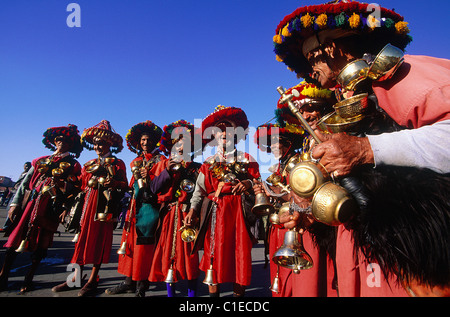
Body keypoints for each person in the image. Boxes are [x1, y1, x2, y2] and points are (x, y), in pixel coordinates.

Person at [272, 1, 450, 296]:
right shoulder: (345, 96)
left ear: (331, 48)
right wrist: (310, 215)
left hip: (417, 262)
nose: (309, 71)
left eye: (310, 58)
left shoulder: (402, 74)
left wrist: (367, 149)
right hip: (367, 251)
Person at [254, 82, 338, 297]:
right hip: (294, 221)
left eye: (311, 107)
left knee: (313, 283)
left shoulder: (303, 155)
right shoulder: (288, 160)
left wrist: (279, 193)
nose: (306, 114)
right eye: (301, 110)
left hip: (322, 222)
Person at [185, 105, 260, 297]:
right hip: (215, 214)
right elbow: (198, 192)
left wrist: (248, 183)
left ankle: (238, 297)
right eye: (219, 131)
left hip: (239, 214)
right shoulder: (207, 164)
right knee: (214, 254)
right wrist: (193, 210)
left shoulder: (247, 159)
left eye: (228, 130)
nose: (224, 134)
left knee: (239, 253)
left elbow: (259, 184)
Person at [0, 124, 83, 293]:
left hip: (51, 206)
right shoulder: (40, 160)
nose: (61, 143)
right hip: (29, 203)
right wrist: (15, 204)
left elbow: (75, 188)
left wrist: (65, 202)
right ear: (54, 141)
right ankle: (3, 276)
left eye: (65, 141)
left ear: (71, 145)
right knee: (15, 241)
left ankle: (28, 279)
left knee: (41, 246)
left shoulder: (73, 165)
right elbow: (25, 183)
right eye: (59, 140)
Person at [52, 120, 128, 297]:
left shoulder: (118, 163)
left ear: (109, 144)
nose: (97, 146)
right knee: (80, 243)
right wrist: (63, 186)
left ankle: (93, 279)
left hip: (104, 209)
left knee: (99, 243)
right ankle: (74, 279)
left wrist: (114, 183)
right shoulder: (88, 164)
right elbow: (78, 186)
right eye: (95, 143)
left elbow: (124, 185)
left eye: (101, 143)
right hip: (85, 208)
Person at [105, 120, 163, 297]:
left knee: (144, 247)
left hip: (149, 209)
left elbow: (164, 184)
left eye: (148, 140)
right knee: (129, 244)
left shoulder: (161, 160)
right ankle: (128, 281)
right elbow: (131, 186)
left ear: (154, 141)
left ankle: (141, 284)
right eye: (142, 140)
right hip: (133, 208)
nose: (145, 143)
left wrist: (151, 174)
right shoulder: (136, 161)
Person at [147, 120, 201, 297]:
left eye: (185, 143)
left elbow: (200, 192)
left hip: (188, 214)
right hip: (169, 215)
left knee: (190, 256)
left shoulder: (196, 168)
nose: (181, 146)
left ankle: (191, 295)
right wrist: (167, 173)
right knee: (168, 255)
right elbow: (154, 189)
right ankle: (171, 294)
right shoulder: (163, 164)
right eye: (178, 142)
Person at [1, 162, 32, 234]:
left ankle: (8, 227)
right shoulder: (23, 173)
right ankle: (8, 227)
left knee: (16, 211)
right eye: (25, 166)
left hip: (22, 194)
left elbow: (24, 185)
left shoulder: (29, 173)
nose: (26, 167)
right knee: (11, 210)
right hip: (15, 192)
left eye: (28, 166)